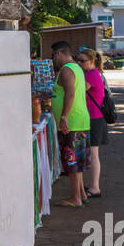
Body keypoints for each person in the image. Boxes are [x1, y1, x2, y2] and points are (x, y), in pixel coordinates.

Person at [50, 41, 91, 208]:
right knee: (78, 161)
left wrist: (64, 117)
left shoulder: (66, 70)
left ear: (59, 53)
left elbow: (70, 94)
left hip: (71, 122)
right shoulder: (77, 68)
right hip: (80, 120)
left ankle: (75, 198)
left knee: (71, 161)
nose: (53, 60)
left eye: (53, 56)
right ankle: (80, 194)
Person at [77, 47, 108, 198]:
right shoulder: (93, 74)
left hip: (94, 119)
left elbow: (77, 92)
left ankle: (94, 187)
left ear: (90, 62)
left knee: (94, 154)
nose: (79, 63)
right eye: (78, 60)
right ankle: (92, 184)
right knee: (92, 153)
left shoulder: (91, 75)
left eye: (82, 61)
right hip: (94, 118)